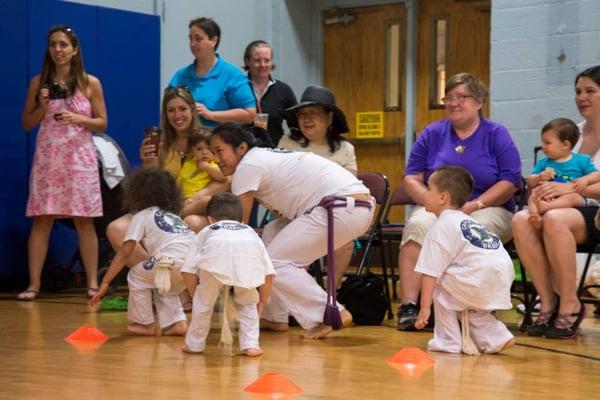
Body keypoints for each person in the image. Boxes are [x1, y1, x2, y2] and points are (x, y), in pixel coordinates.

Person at [210, 123, 375, 339]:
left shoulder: (247, 166)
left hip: (339, 208)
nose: (215, 159)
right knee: (272, 232)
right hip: (354, 206)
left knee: (275, 262)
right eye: (213, 153)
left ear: (241, 148)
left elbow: (239, 225)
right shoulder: (262, 158)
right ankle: (275, 317)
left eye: (219, 151)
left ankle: (331, 313)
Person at [397, 73, 521, 331]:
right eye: (448, 98)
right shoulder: (433, 133)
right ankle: (410, 306)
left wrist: (472, 207)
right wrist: (430, 202)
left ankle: (478, 308)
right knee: (418, 224)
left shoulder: (496, 134)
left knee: (470, 230)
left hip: (488, 207)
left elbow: (510, 181)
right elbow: (411, 176)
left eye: (460, 97)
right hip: (439, 205)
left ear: (478, 102)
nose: (453, 103)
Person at [18, 25, 108, 301]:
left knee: (84, 221)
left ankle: (92, 282)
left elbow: (102, 122)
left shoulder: (90, 83)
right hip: (48, 160)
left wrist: (79, 119)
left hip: (79, 160)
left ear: (75, 49)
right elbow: (26, 123)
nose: (58, 50)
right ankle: (34, 284)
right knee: (42, 220)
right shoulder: (38, 82)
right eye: (53, 44)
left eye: (63, 45)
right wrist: (42, 107)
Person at [512, 65, 600, 339]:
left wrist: (570, 189)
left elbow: (582, 186)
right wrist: (543, 185)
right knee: (520, 219)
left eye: (590, 91)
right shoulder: (569, 132)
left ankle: (570, 302)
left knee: (554, 218)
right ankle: (548, 301)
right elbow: (542, 175)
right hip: (564, 206)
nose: (581, 97)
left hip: (593, 209)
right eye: (577, 91)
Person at [414, 166, 515, 354]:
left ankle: (448, 342)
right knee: (469, 304)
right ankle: (496, 337)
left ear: (443, 197)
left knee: (441, 287)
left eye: (429, 189)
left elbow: (429, 273)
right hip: (500, 275)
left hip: (478, 277)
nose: (425, 194)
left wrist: (425, 307)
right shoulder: (471, 222)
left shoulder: (440, 227)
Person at [91, 168, 193, 336]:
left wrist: (105, 283)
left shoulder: (143, 215)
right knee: (161, 283)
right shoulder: (173, 216)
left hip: (168, 259)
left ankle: (143, 324)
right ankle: (176, 322)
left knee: (137, 276)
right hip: (191, 264)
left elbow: (125, 252)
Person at [279, 85, 357, 285]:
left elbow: (350, 189)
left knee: (345, 241)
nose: (306, 119)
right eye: (302, 114)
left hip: (332, 215)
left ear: (329, 118)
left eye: (313, 113)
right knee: (294, 238)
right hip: (293, 213)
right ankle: (299, 294)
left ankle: (331, 294)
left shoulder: (345, 149)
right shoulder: (287, 143)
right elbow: (279, 182)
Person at [181, 193, 275, 356]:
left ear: (210, 219)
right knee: (247, 303)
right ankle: (251, 345)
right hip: (246, 264)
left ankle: (194, 345)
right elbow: (268, 273)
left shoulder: (208, 230)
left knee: (203, 304)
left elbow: (188, 270)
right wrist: (262, 302)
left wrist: (194, 295)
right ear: (241, 221)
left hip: (213, 262)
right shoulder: (249, 232)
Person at [169, 17, 256, 127]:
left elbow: (250, 114)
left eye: (198, 39)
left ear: (213, 41)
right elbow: (167, 109)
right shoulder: (180, 76)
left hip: (218, 140)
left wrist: (211, 115)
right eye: (191, 39)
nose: (192, 44)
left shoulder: (232, 75)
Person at [527, 117, 600, 229]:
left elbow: (596, 175)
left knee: (572, 197)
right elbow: (530, 180)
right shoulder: (544, 163)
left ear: (565, 145)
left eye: (548, 143)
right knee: (533, 195)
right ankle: (535, 216)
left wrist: (584, 180)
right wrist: (538, 177)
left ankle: (546, 208)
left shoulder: (581, 160)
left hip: (573, 196)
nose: (543, 147)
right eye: (543, 142)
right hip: (550, 195)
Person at [243, 40, 297, 146]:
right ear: (247, 61)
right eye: (257, 60)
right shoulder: (237, 88)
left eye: (267, 60)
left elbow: (295, 124)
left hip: (274, 153)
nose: (262, 65)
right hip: (243, 153)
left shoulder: (284, 90)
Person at [177, 127, 227, 201]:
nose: (204, 152)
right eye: (199, 149)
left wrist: (208, 168)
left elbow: (224, 178)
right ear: (192, 150)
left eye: (209, 148)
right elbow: (180, 181)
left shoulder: (214, 164)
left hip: (202, 199)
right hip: (183, 199)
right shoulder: (188, 164)